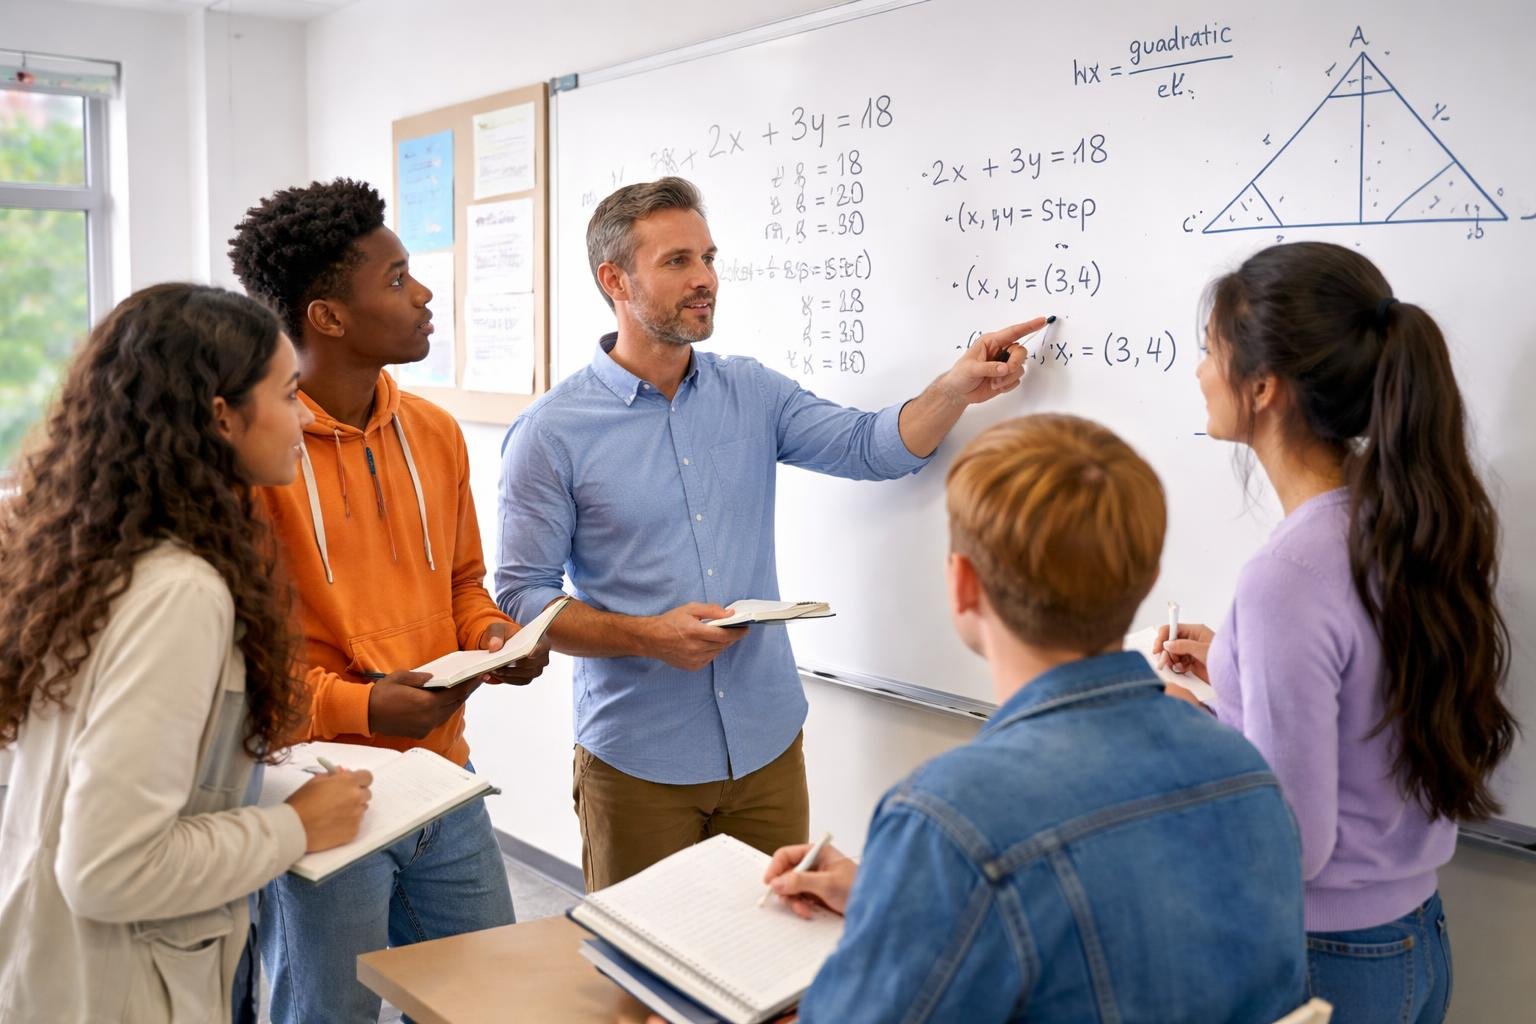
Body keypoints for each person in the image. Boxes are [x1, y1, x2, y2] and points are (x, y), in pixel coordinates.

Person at [497, 176, 1045, 890]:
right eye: (678, 262)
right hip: (638, 760)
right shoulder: (551, 433)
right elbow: (522, 598)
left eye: (708, 257)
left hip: (766, 747)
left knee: (775, 970)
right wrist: (647, 636)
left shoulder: (750, 392)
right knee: (642, 987)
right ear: (615, 280)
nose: (706, 280)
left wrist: (952, 388)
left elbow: (869, 447)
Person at [740, 414, 1305, 1022]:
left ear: (963, 585)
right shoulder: (1243, 769)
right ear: (1144, 581)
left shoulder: (949, 820)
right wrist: (894, 901)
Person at [1156, 241, 1516, 1023]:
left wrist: (1191, 732)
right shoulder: (1392, 521)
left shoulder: (1288, 576)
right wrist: (1234, 675)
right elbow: (1359, 715)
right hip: (1414, 941)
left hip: (1328, 965)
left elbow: (1291, 843)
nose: (1197, 372)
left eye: (1209, 352)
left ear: (1264, 387)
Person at [0, 283, 373, 1023]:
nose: (302, 418)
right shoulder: (181, 592)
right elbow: (108, 868)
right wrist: (296, 825)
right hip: (114, 987)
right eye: (289, 394)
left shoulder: (90, 550)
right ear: (222, 417)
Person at [229, 178, 550, 1023]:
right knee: (328, 1012)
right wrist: (364, 707)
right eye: (398, 278)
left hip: (444, 776)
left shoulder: (436, 434)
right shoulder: (256, 458)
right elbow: (236, 668)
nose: (424, 294)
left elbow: (462, 584)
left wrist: (495, 637)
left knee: (485, 1001)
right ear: (328, 315)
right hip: (318, 787)